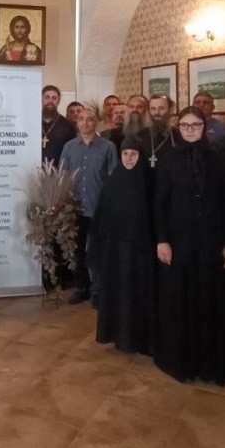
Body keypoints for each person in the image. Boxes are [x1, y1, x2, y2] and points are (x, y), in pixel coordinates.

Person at [153, 106, 225, 385]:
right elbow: (160, 203)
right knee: (179, 301)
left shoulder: (218, 159)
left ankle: (209, 364)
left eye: (195, 125)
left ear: (204, 127)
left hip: (211, 243)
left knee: (209, 302)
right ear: (178, 128)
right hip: (178, 243)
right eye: (185, 125)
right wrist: (162, 240)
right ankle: (181, 361)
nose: (190, 130)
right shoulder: (167, 159)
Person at [89, 136, 154, 355]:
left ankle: (140, 339)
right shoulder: (114, 180)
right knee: (119, 295)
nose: (128, 158)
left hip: (140, 251)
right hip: (115, 251)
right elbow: (102, 215)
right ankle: (119, 336)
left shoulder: (148, 181)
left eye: (133, 154)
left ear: (140, 156)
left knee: (138, 295)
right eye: (125, 154)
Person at [59, 106, 117, 305]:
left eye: (90, 119)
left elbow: (113, 178)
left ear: (96, 122)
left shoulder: (108, 147)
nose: (85, 122)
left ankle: (98, 290)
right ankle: (81, 287)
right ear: (77, 122)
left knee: (98, 249)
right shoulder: (69, 147)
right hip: (74, 208)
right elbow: (63, 176)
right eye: (81, 119)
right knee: (77, 250)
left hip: (98, 207)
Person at [137, 94, 177, 169]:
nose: (156, 112)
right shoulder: (140, 136)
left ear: (170, 110)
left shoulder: (178, 135)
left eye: (161, 108)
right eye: (153, 109)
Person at [41, 85, 76, 166]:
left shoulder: (68, 126)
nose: (50, 100)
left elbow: (72, 153)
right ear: (41, 99)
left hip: (58, 171)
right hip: (32, 170)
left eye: (54, 98)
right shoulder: (32, 122)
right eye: (47, 97)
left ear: (58, 101)